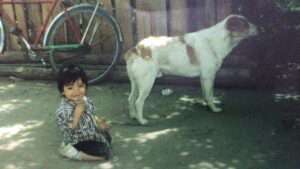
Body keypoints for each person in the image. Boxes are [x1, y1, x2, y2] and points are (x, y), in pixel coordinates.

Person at [55, 64, 112, 161]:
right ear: (62, 92)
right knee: (104, 153)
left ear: (86, 87)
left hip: (89, 132)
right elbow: (71, 128)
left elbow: (90, 115)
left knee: (108, 138)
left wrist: (99, 123)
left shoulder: (84, 99)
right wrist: (78, 110)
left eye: (80, 86)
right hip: (77, 139)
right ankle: (70, 152)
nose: (76, 91)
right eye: (70, 88)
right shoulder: (63, 111)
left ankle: (97, 140)